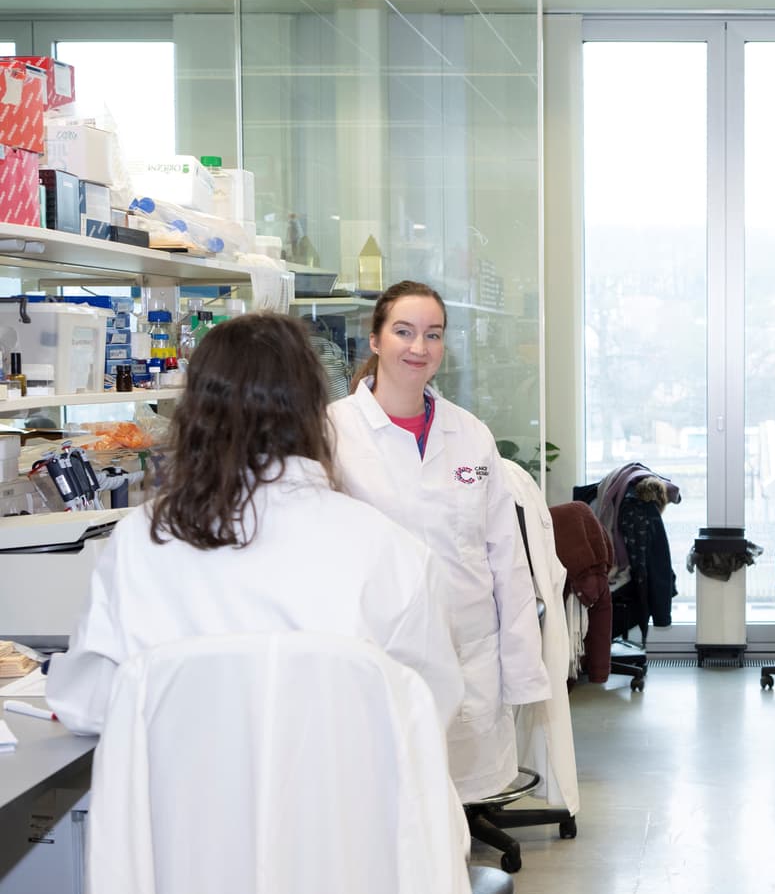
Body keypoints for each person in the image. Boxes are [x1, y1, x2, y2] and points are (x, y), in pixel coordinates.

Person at [47, 310, 465, 734]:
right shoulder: (390, 550)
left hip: (187, 779)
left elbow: (83, 703)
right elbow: (428, 711)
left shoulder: (143, 537)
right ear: (315, 412)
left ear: (195, 415)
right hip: (331, 777)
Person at [328, 281, 551, 802]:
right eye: (403, 332)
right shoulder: (333, 433)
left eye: (433, 334)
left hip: (470, 651)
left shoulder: (470, 435)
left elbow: (507, 561)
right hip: (379, 651)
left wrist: (522, 669)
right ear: (375, 340)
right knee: (386, 803)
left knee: (459, 800)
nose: (419, 347)